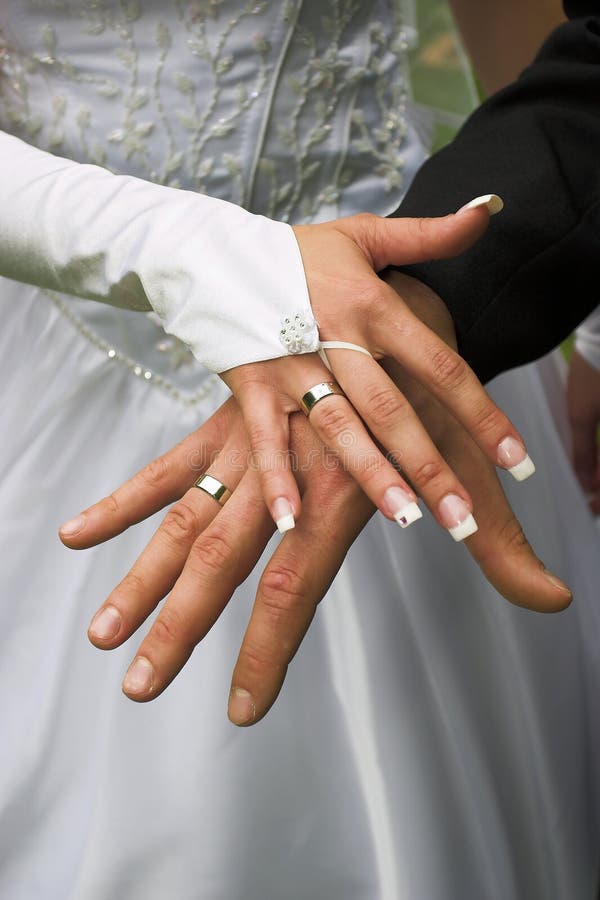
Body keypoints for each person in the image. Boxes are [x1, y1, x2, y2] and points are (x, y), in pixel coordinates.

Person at [0, 3, 599, 900]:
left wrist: (574, 277)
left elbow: (547, 39)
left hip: (413, 306)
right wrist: (190, 254)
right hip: (62, 334)